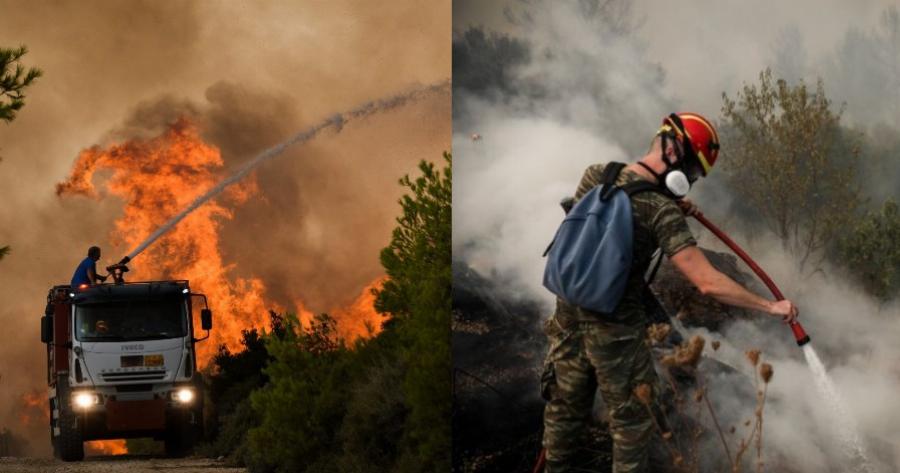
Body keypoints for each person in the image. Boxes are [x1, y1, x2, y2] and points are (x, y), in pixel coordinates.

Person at [541, 112, 799, 473]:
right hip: (615, 328)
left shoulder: (596, 174)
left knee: (564, 409)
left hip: (567, 313)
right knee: (632, 422)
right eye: (693, 173)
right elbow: (707, 282)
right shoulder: (661, 211)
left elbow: (604, 215)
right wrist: (770, 305)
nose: (690, 182)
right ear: (675, 154)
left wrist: (665, 202)